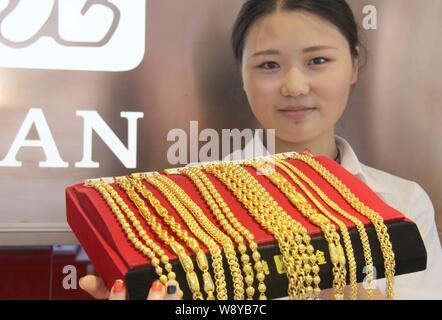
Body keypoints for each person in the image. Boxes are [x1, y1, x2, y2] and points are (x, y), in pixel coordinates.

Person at [80, 0, 442, 300]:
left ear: (354, 64)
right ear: (241, 73)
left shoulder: (403, 203)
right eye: (269, 65)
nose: (295, 86)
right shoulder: (190, 208)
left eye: (318, 61)